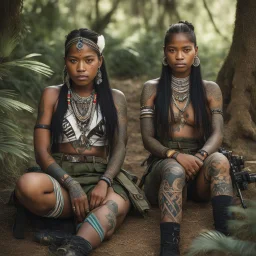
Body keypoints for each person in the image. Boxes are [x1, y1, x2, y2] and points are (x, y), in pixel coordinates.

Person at [14, 28, 134, 256]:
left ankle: (74, 247)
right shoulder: (52, 95)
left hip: (101, 180)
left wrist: (105, 181)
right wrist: (71, 184)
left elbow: (120, 147)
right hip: (61, 177)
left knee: (112, 208)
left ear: (100, 61)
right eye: (73, 60)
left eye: (88, 60)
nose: (80, 68)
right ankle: (83, 223)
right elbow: (41, 151)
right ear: (65, 62)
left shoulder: (115, 98)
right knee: (26, 186)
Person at [139, 21, 233, 256]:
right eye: (172, 50)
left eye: (186, 49)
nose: (179, 56)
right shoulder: (151, 89)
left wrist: (200, 156)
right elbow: (148, 139)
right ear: (165, 53)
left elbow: (217, 134)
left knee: (220, 160)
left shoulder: (210, 89)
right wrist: (176, 156)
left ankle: (226, 240)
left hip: (198, 170)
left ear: (196, 51)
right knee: (174, 169)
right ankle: (169, 249)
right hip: (163, 164)